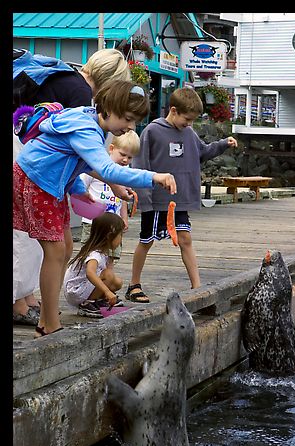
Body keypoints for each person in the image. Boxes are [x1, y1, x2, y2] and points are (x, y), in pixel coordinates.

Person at [13, 80, 177, 337]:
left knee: (66, 246)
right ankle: (49, 325)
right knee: (55, 250)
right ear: (109, 109)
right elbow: (106, 167)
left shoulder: (90, 121)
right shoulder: (87, 128)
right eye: (128, 119)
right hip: (36, 181)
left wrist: (94, 188)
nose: (130, 127)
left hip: (51, 184)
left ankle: (46, 319)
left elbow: (72, 159)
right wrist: (153, 177)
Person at [13, 48, 132, 326]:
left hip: (29, 157)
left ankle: (28, 298)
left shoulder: (66, 76)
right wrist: (114, 184)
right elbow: (79, 152)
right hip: (35, 169)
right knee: (36, 242)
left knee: (41, 241)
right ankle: (25, 304)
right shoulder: (80, 95)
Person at [125, 87, 238, 303]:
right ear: (174, 110)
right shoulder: (152, 131)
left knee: (186, 239)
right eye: (187, 119)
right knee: (146, 241)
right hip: (157, 200)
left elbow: (203, 152)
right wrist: (144, 198)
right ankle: (134, 284)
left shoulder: (189, 133)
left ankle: (197, 286)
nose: (189, 124)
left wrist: (223, 144)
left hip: (179, 200)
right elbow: (140, 165)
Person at [80, 130, 141, 272]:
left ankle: (106, 283)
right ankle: (88, 283)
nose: (126, 160)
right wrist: (86, 201)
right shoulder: (99, 167)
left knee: (111, 257)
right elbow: (82, 185)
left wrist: (124, 217)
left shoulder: (125, 171)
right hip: (94, 221)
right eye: (123, 155)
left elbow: (123, 197)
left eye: (130, 157)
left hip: (114, 223)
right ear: (111, 148)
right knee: (90, 254)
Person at [64, 213, 125, 317]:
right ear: (109, 236)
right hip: (75, 291)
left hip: (82, 288)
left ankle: (98, 300)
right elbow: (90, 273)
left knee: (117, 282)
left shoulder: (103, 253)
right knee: (108, 275)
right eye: (120, 235)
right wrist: (107, 291)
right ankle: (88, 304)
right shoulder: (95, 254)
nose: (121, 239)